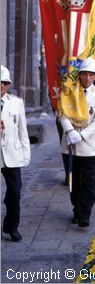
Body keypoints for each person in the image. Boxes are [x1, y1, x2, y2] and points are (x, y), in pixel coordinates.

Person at [60, 58, 95, 227]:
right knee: (73, 181)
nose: (87, 78)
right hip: (70, 144)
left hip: (88, 145)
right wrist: (70, 131)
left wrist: (82, 135)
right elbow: (62, 113)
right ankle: (76, 209)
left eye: (90, 75)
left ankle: (85, 214)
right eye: (84, 74)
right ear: (79, 75)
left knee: (88, 182)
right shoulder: (69, 90)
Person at [1, 65, 31, 242]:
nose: (1, 87)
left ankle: (11, 226)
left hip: (12, 155)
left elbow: (23, 131)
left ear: (8, 85)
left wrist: (26, 154)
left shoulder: (17, 103)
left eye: (4, 83)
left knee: (15, 192)